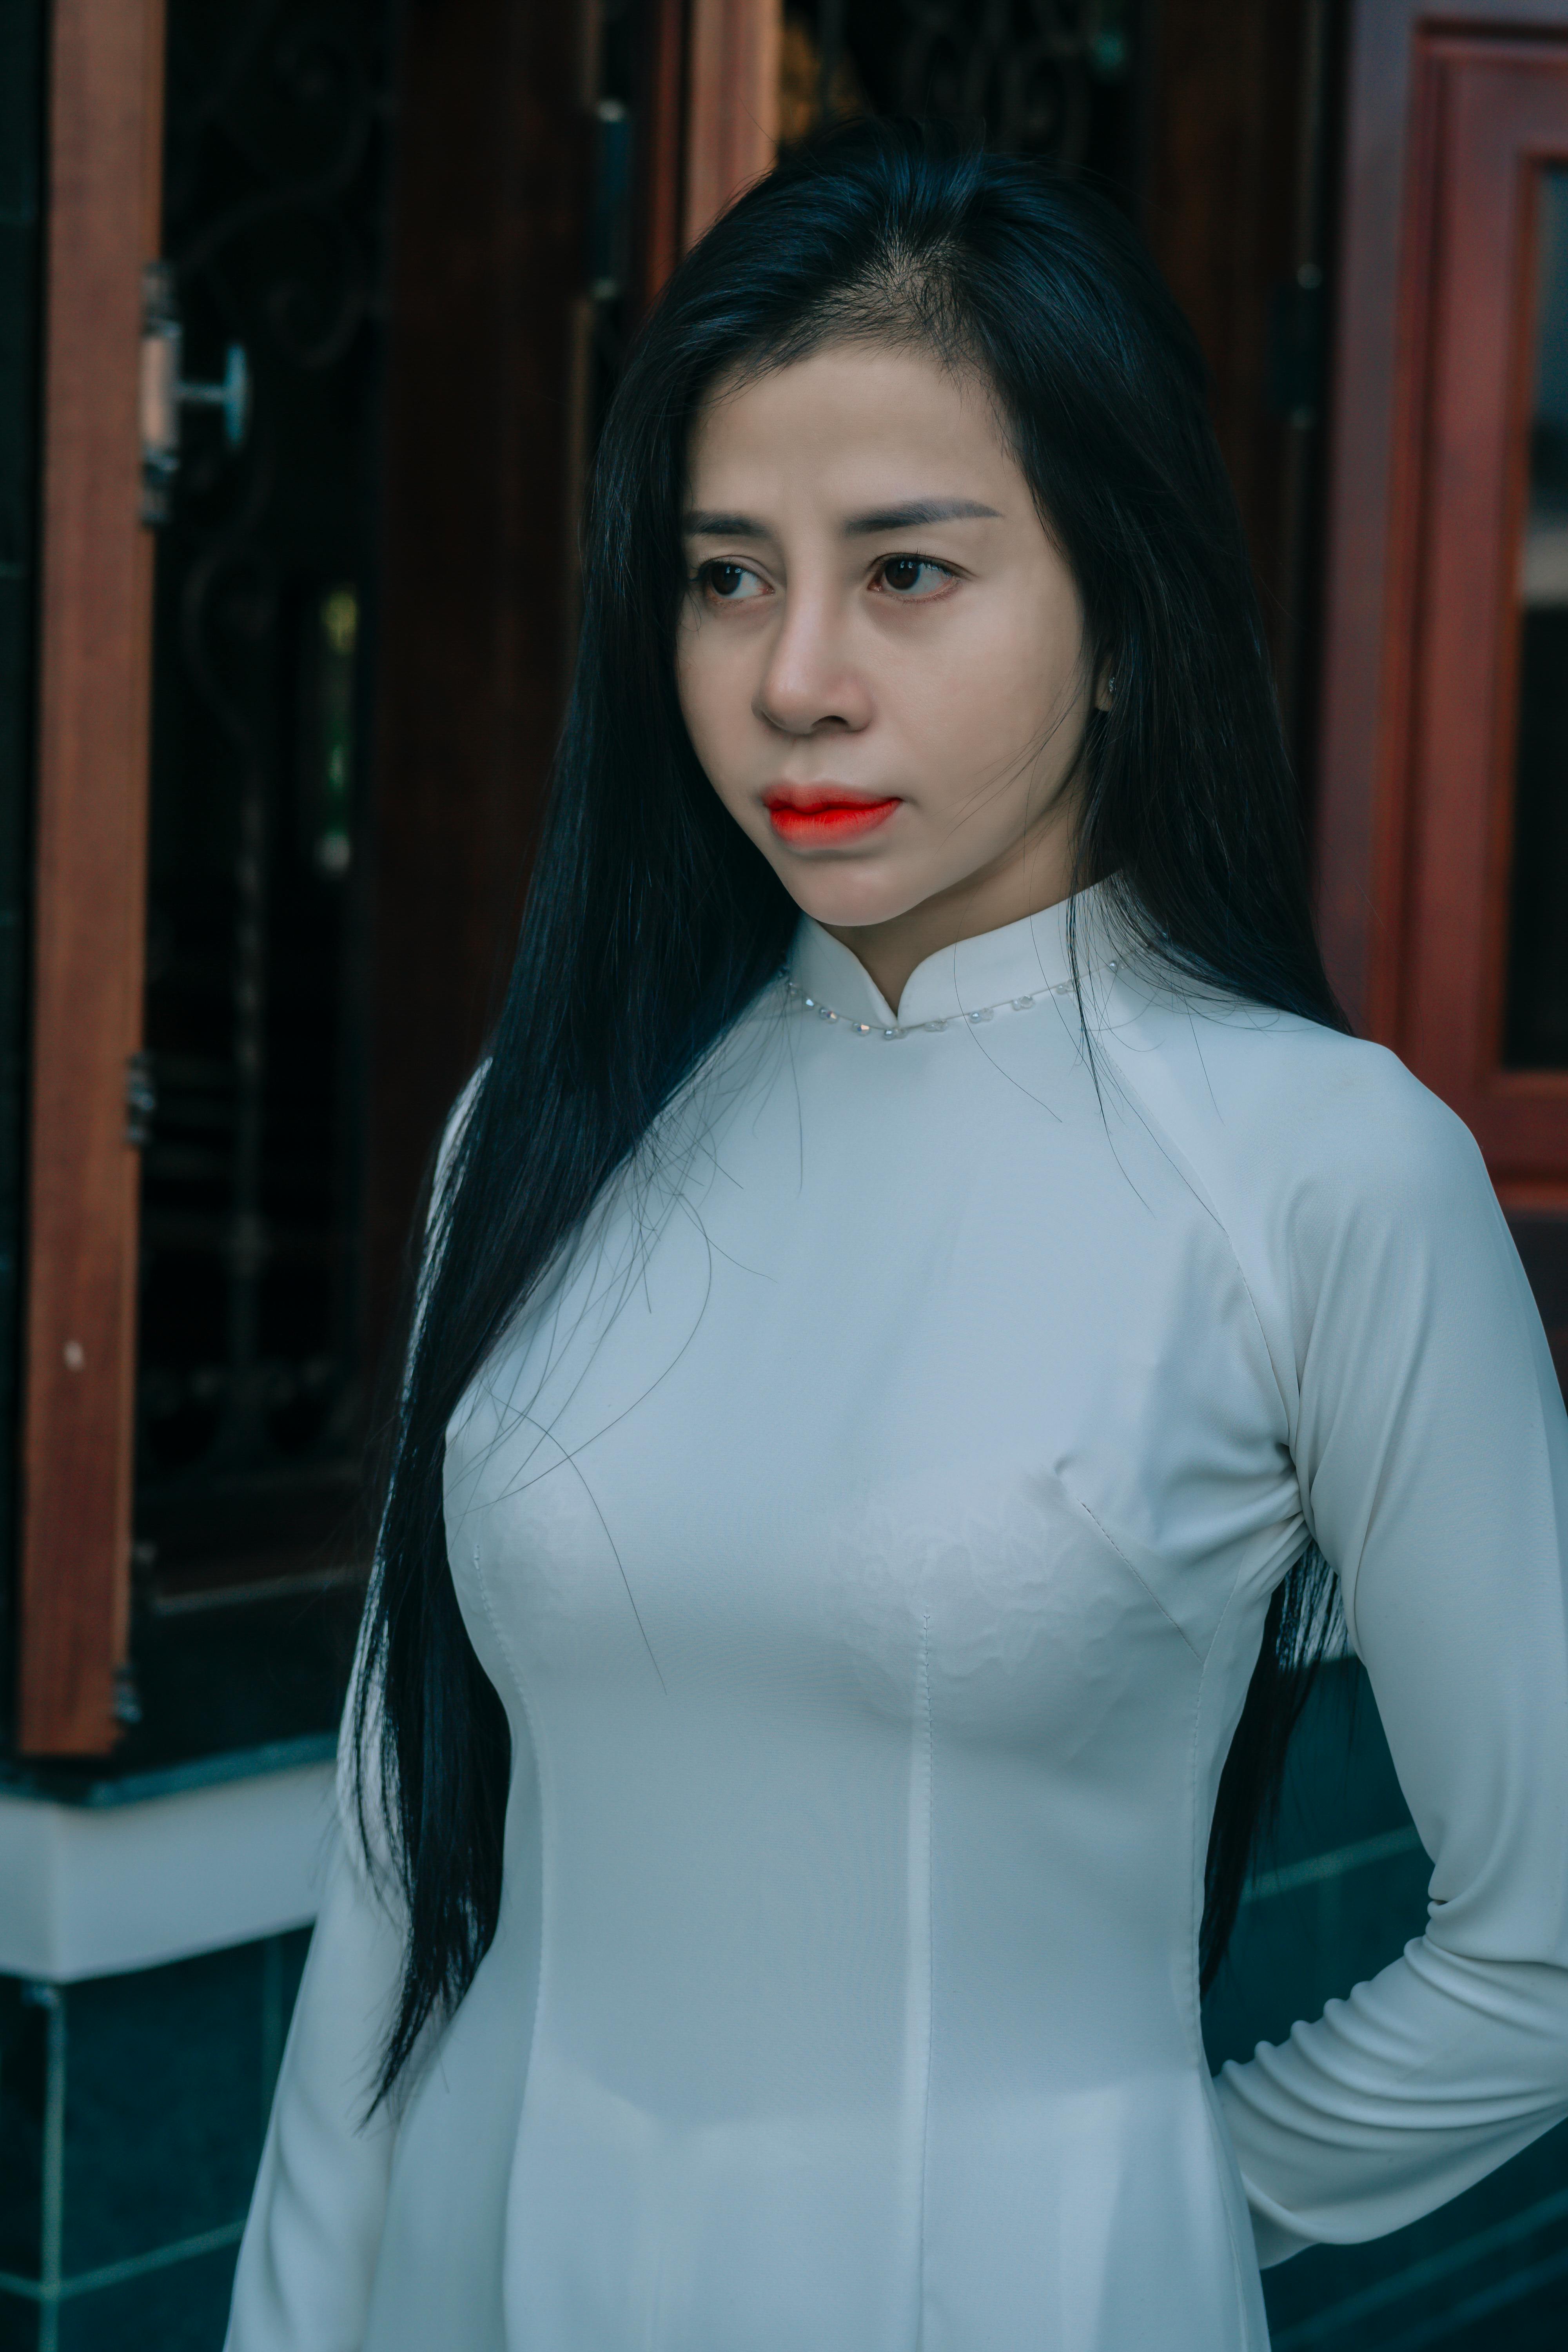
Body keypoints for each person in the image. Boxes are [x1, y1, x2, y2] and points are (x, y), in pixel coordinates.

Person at [225, 122, 1568, 2351]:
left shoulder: (1324, 1173)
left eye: (909, 573)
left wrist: (1144, 2209)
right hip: (480, 2278)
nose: (795, 681)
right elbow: (399, 1868)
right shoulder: (552, 1119)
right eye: (729, 573)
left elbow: (1546, 1943)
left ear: (1123, 614)